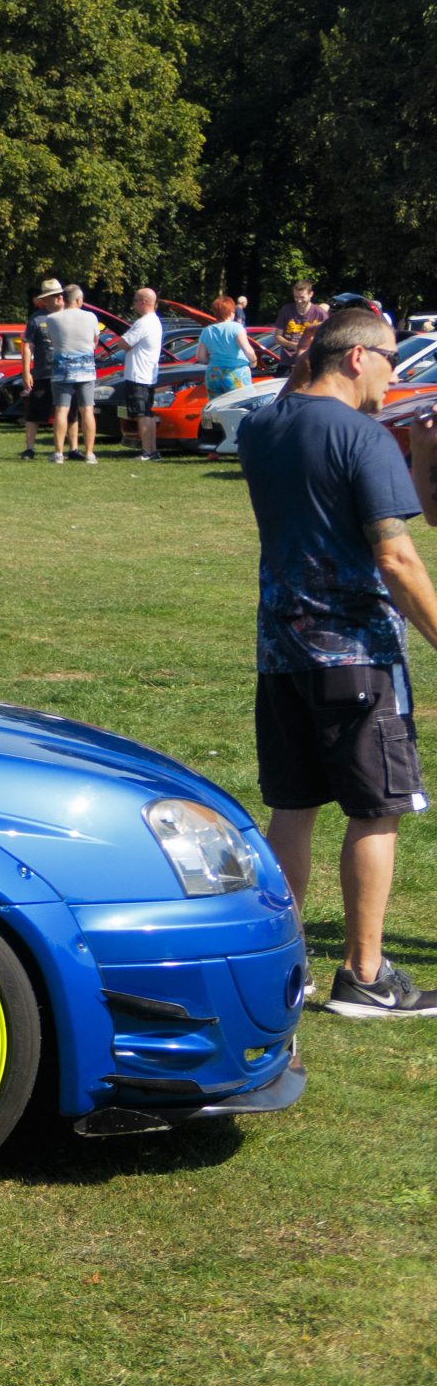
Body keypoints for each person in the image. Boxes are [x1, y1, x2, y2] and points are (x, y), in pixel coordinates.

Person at [243, 306, 437, 1016]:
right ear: (357, 358)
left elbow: (297, 390)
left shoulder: (261, 427)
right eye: (390, 357)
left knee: (292, 807)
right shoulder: (361, 435)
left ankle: (284, 968)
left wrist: (419, 451)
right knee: (377, 810)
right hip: (357, 654)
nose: (395, 374)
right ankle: (364, 974)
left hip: (281, 653)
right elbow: (397, 557)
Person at [42, 282, 102, 464]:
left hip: (62, 369)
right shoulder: (91, 317)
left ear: (63, 299)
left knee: (61, 410)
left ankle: (59, 453)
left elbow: (52, 340)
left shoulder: (52, 319)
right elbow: (95, 340)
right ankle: (89, 453)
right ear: (78, 299)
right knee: (87, 410)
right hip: (86, 370)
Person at [116, 286, 166, 461]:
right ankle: (152, 450)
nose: (134, 304)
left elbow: (124, 343)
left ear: (145, 302)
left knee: (141, 414)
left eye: (136, 300)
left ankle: (147, 451)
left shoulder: (144, 322)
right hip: (148, 374)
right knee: (147, 413)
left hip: (138, 374)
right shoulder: (155, 321)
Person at [198, 294, 260, 428]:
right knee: (241, 409)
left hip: (213, 374)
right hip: (236, 373)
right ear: (232, 312)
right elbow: (248, 350)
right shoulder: (236, 328)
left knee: (216, 411)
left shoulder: (206, 331)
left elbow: (201, 358)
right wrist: (254, 362)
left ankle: (219, 435)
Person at [18, 282, 61, 458]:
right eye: (54, 295)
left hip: (64, 373)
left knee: (65, 412)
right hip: (43, 372)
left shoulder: (69, 315)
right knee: (34, 412)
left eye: (59, 295)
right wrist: (26, 371)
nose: (58, 298)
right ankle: (30, 448)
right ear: (46, 299)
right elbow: (28, 345)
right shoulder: (37, 318)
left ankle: (67, 449)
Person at [277, 280, 327, 354]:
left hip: (310, 358)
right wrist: (293, 345)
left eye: (302, 297)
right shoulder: (286, 310)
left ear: (311, 294)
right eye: (296, 297)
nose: (299, 301)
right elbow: (277, 337)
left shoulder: (320, 313)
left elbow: (328, 339)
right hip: (288, 359)